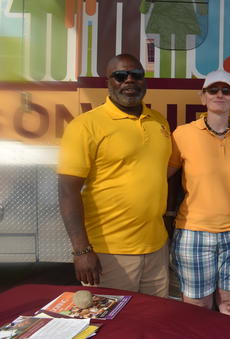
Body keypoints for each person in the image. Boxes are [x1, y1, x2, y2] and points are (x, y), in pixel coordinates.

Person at [58, 53, 172, 296]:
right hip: (109, 252)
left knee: (154, 324)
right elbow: (68, 191)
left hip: (156, 249)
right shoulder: (85, 126)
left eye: (136, 75)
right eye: (120, 76)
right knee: (113, 327)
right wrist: (81, 250)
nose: (129, 81)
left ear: (145, 81)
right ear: (108, 82)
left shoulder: (159, 122)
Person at [168, 70, 230, 319]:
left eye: (226, 90)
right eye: (213, 90)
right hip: (194, 232)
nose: (219, 94)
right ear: (203, 97)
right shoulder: (182, 134)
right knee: (197, 308)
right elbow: (163, 175)